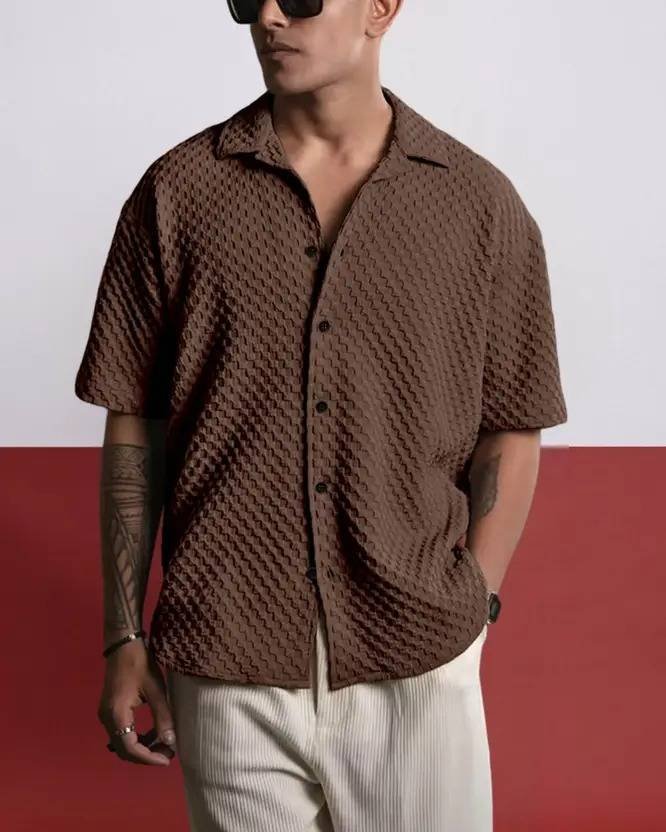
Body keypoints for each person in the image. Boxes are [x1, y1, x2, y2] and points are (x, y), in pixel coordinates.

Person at [75, 1, 568, 830]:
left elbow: (513, 425)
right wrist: (123, 636)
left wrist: (473, 606)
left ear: (381, 8)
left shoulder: (478, 205)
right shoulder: (177, 193)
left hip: (416, 658)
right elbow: (136, 425)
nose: (269, 17)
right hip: (227, 658)